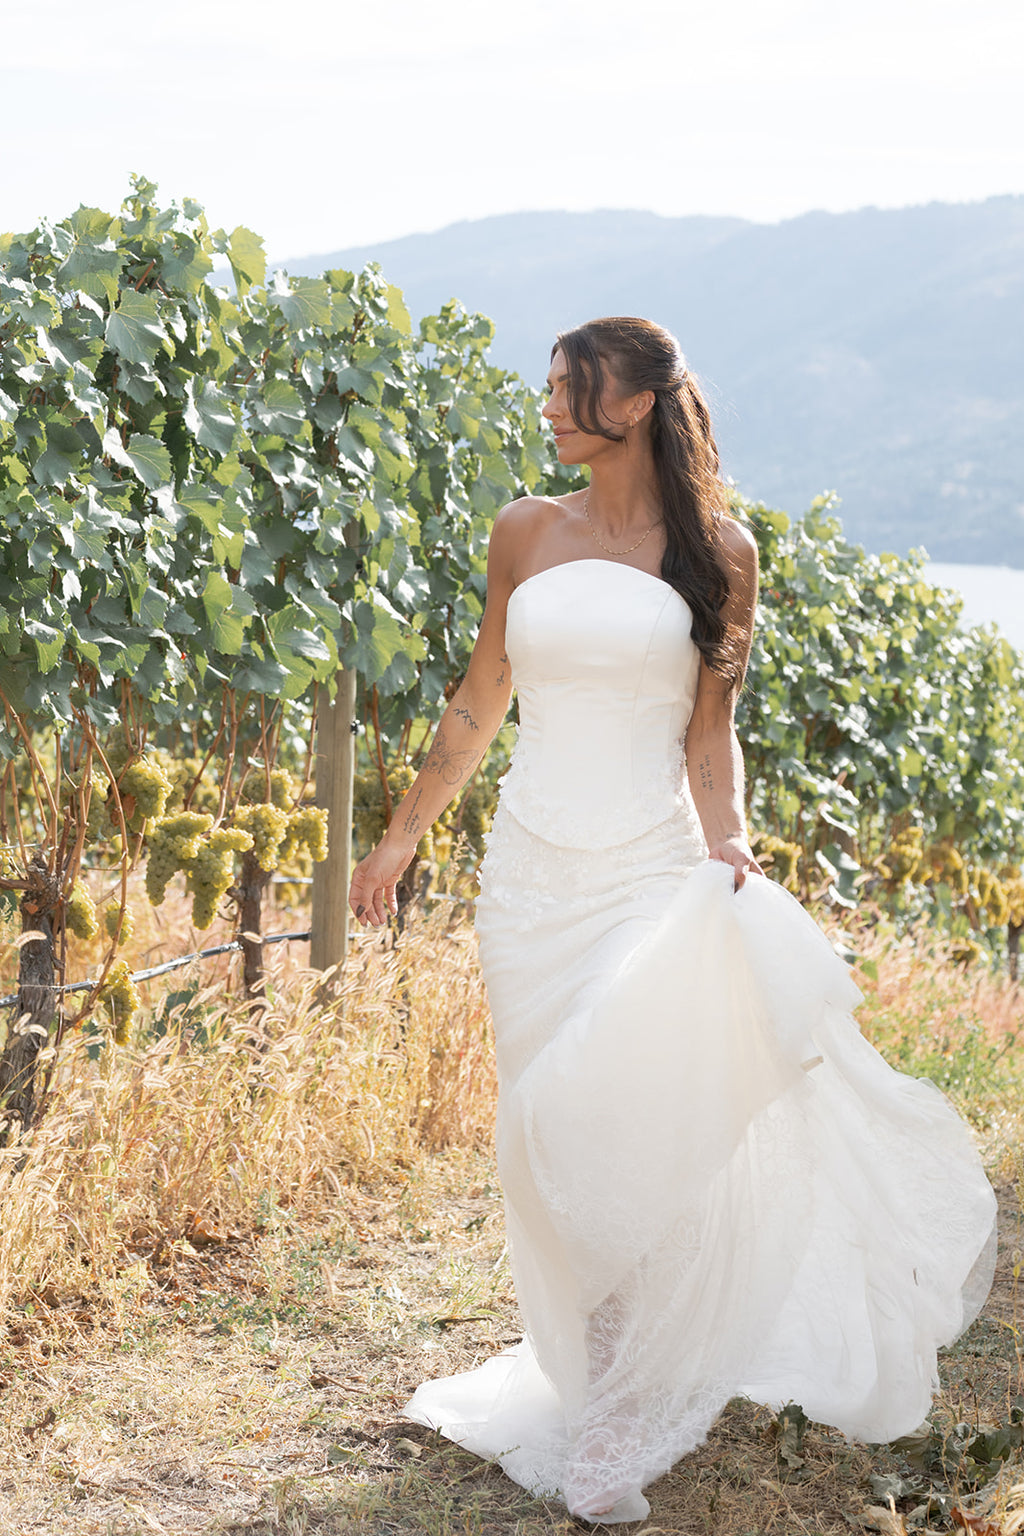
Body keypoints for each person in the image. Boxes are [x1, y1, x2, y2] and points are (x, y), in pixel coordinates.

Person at [348, 316, 997, 1526]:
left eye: (564, 388)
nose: (544, 407)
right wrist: (400, 835)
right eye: (544, 388)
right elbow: (479, 704)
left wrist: (729, 841)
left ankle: (610, 1417)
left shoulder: (720, 555)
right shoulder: (523, 532)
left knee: (613, 1122)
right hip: (529, 878)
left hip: (647, 871)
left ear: (636, 400)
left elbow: (711, 737)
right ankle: (598, 1372)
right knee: (546, 1133)